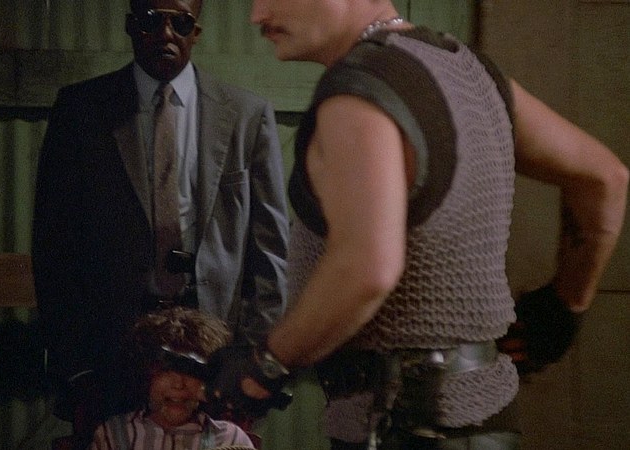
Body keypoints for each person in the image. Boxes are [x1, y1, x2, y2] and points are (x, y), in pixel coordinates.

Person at [207, 0, 629, 449]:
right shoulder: (468, 71)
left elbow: (367, 269)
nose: (257, 14)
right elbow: (605, 179)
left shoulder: (357, 93)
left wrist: (266, 365)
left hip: (399, 426)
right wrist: (565, 306)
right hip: (487, 423)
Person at [31, 0, 289, 445]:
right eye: (152, 20)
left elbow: (270, 252)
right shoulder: (82, 110)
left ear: (196, 31)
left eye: (181, 22)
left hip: (215, 350)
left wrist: (252, 355)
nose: (166, 33)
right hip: (111, 348)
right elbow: (54, 246)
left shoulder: (246, 114)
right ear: (131, 26)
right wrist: (76, 364)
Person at [89, 307, 256, 450]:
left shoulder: (229, 439)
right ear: (147, 374)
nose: (178, 384)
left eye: (190, 372)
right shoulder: (115, 435)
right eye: (166, 371)